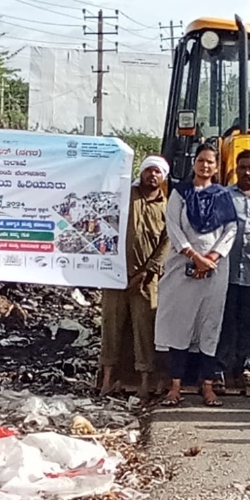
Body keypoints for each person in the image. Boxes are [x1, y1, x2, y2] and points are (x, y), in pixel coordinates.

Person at [154, 144, 238, 407]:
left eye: (210, 162)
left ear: (216, 166)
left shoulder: (223, 195)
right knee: (180, 324)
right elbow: (174, 227)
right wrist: (194, 257)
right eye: (201, 160)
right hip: (183, 267)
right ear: (194, 163)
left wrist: (211, 259)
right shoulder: (180, 193)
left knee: (209, 325)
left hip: (214, 269)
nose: (205, 166)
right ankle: (175, 386)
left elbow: (230, 230)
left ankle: (208, 385)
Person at [99, 155, 170, 398]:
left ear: (163, 177)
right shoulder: (124, 197)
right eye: (149, 170)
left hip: (146, 280)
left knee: (145, 330)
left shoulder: (166, 206)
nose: (153, 175)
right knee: (111, 327)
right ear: (141, 173)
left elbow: (167, 241)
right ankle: (107, 379)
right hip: (114, 275)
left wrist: (149, 271)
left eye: (158, 172)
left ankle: (144, 381)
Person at [215, 150, 250, 390]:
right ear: (235, 169)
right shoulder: (223, 196)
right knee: (223, 322)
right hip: (225, 272)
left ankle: (244, 367)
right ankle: (218, 369)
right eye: (243, 167)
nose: (247, 172)